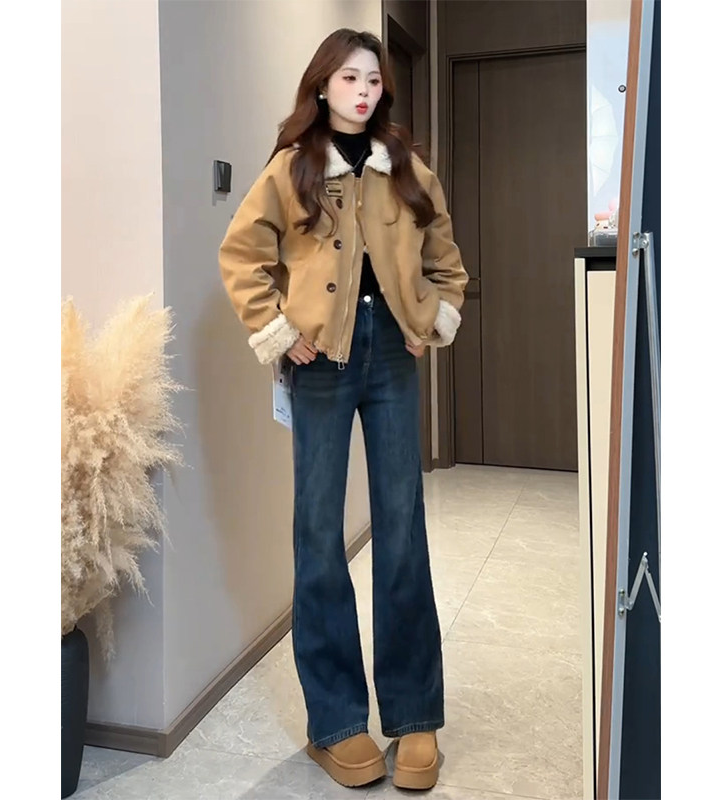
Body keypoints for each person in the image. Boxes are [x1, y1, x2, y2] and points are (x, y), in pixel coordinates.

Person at [218, 28, 468, 791]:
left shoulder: (407, 167)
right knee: (319, 536)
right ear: (323, 85)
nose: (363, 90)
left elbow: (446, 261)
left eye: (373, 79)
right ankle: (335, 722)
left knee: (402, 528)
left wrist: (432, 317)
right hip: (319, 360)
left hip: (391, 354)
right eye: (349, 78)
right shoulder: (293, 169)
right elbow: (241, 254)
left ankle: (415, 716)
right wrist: (276, 329)